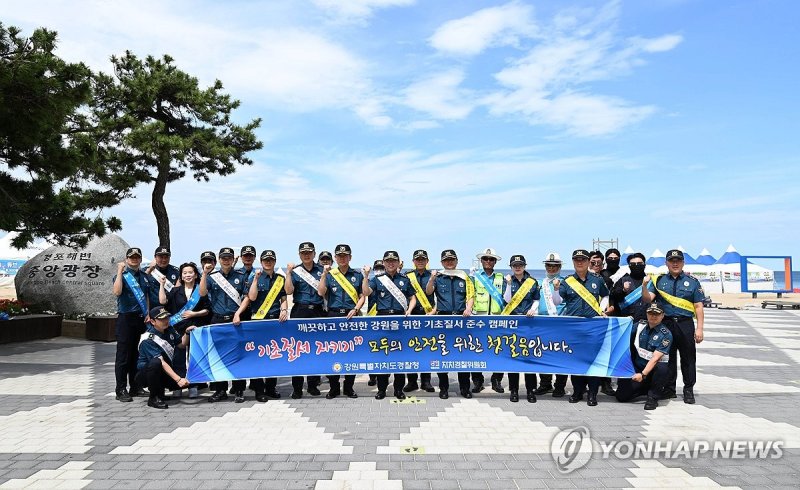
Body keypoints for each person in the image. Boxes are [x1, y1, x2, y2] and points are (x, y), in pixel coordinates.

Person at [642, 249, 704, 404]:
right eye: (671, 261)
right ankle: (669, 390)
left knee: (688, 357)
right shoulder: (659, 281)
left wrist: (700, 328)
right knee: (667, 358)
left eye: (678, 261)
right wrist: (644, 285)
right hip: (666, 323)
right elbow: (648, 298)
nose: (675, 263)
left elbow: (698, 306)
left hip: (685, 323)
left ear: (683, 263)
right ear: (666, 263)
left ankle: (688, 389)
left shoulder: (693, 282)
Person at [362, 251, 417, 400]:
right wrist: (366, 277)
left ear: (399, 263)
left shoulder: (404, 280)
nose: (391, 263)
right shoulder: (378, 279)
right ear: (384, 263)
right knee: (382, 357)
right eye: (388, 261)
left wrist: (410, 310)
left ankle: (398, 390)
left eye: (394, 261)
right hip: (382, 319)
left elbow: (413, 298)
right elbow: (366, 292)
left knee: (399, 357)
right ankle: (381, 389)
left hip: (399, 320)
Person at [559, 249, 610, 407]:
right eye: (576, 260)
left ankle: (593, 393)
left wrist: (601, 309)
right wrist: (554, 289)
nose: (579, 262)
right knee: (575, 360)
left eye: (583, 259)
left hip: (592, 325)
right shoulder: (567, 281)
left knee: (592, 360)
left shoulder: (597, 279)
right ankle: (577, 391)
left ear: (589, 262)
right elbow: (556, 301)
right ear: (573, 262)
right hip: (573, 326)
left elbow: (606, 295)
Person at [199, 247, 247, 402]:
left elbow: (246, 297)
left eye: (229, 258)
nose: (226, 261)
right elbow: (202, 293)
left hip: (235, 319)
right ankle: (220, 390)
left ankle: (239, 390)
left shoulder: (240, 276)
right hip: (218, 319)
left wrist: (238, 313)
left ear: (233, 259)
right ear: (219, 260)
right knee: (218, 357)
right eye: (223, 258)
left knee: (237, 355)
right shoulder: (213, 277)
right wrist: (205, 274)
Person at [425, 249, 475, 399]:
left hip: (461, 320)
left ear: (457, 261)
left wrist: (469, 308)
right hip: (443, 321)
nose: (449, 262)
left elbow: (470, 295)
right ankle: (444, 388)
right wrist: (431, 279)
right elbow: (428, 292)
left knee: (463, 355)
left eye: (452, 260)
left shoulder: (464, 277)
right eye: (446, 260)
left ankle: (465, 388)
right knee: (443, 356)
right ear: (442, 262)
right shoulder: (438, 277)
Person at [318, 244, 365, 399]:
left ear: (350, 257)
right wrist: (324, 275)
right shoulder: (331, 275)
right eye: (339, 256)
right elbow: (321, 292)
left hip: (352, 317)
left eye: (345, 255)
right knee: (333, 352)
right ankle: (334, 387)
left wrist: (356, 309)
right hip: (333, 317)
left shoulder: (357, 275)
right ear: (335, 258)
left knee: (352, 353)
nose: (342, 258)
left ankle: (349, 387)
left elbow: (362, 296)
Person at [158, 262, 210, 399]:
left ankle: (193, 385)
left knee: (194, 357)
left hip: (196, 327)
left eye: (190, 272)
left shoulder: (201, 290)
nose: (188, 275)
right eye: (185, 273)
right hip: (178, 329)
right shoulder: (175, 291)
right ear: (181, 276)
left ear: (195, 274)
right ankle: (178, 385)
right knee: (178, 358)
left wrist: (194, 314)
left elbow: (208, 310)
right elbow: (163, 302)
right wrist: (162, 285)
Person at [245, 249, 288, 402]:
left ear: (275, 262)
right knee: (258, 357)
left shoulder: (280, 278)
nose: (268, 262)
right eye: (265, 260)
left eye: (271, 260)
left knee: (274, 355)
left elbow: (283, 297)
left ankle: (271, 387)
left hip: (275, 321)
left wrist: (284, 309)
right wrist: (256, 280)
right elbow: (252, 297)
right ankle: (259, 390)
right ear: (261, 262)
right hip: (258, 321)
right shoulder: (254, 277)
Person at [284, 241, 325, 399]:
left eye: (309, 252)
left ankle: (313, 385)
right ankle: (297, 387)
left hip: (317, 311)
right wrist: (288, 272)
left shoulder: (322, 271)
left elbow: (323, 293)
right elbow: (288, 290)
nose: (306, 255)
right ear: (299, 254)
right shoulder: (295, 271)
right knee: (298, 350)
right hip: (299, 310)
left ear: (314, 254)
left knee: (315, 350)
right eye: (303, 253)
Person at [112, 247, 152, 402]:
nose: (134, 259)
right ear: (127, 259)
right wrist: (120, 272)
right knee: (123, 356)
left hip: (141, 319)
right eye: (131, 257)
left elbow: (146, 297)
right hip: (125, 319)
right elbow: (116, 292)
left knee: (137, 354)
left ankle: (135, 386)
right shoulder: (122, 275)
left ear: (140, 259)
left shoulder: (145, 277)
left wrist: (148, 313)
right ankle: (120, 389)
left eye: (137, 257)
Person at [615, 302, 672, 410]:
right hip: (638, 366)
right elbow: (623, 332)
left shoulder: (666, 334)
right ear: (646, 314)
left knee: (662, 368)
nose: (653, 316)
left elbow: (655, 359)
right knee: (621, 397)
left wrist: (643, 374)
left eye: (656, 314)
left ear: (662, 316)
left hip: (652, 371)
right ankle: (644, 388)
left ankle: (653, 397)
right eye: (650, 313)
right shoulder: (640, 325)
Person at [135, 306, 193, 409]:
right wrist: (178, 379)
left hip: (164, 371)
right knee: (156, 363)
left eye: (167, 318)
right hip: (144, 376)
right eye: (161, 319)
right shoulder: (148, 339)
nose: (166, 321)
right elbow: (161, 362)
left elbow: (182, 344)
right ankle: (153, 398)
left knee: (189, 383)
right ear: (153, 322)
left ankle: (161, 394)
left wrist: (187, 332)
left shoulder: (169, 330)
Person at [501, 254, 540, 403]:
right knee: (513, 357)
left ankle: (530, 391)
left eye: (520, 265)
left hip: (528, 322)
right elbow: (507, 300)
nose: (517, 267)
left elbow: (536, 299)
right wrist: (509, 285)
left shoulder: (532, 282)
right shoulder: (507, 281)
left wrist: (533, 309)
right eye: (514, 265)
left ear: (525, 266)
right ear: (511, 267)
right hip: (512, 322)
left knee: (529, 358)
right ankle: (514, 390)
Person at [533, 252, 567, 397]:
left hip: (560, 323)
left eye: (554, 266)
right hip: (542, 323)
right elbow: (534, 300)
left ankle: (560, 386)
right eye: (548, 265)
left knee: (561, 354)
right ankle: (545, 384)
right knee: (542, 353)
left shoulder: (566, 282)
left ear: (559, 267)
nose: (551, 268)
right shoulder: (540, 283)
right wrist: (532, 310)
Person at [472, 247, 505, 394]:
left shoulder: (502, 278)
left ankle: (496, 380)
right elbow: (470, 297)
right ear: (481, 260)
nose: (488, 261)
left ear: (495, 262)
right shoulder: (474, 277)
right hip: (479, 319)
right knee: (477, 351)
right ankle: (477, 381)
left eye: (491, 259)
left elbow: (508, 298)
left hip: (496, 320)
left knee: (498, 351)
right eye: (485, 258)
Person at [403, 250, 436, 393]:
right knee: (411, 349)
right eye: (418, 259)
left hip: (429, 316)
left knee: (427, 349)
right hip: (412, 317)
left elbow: (441, 297)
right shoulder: (407, 276)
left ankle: (426, 381)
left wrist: (434, 312)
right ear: (413, 261)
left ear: (427, 260)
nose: (420, 261)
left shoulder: (434, 276)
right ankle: (411, 381)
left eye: (423, 259)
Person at [609, 253, 651, 323]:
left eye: (639, 263)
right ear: (629, 266)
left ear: (644, 265)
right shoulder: (622, 280)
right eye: (633, 264)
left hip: (647, 320)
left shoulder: (651, 280)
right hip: (627, 321)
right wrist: (623, 290)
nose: (636, 266)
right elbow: (614, 297)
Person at [366, 259, 384, 387]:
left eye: (381, 268)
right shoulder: (373, 281)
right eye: (377, 268)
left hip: (385, 319)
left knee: (383, 349)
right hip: (372, 318)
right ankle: (373, 377)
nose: (379, 270)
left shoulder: (390, 281)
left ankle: (383, 375)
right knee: (373, 349)